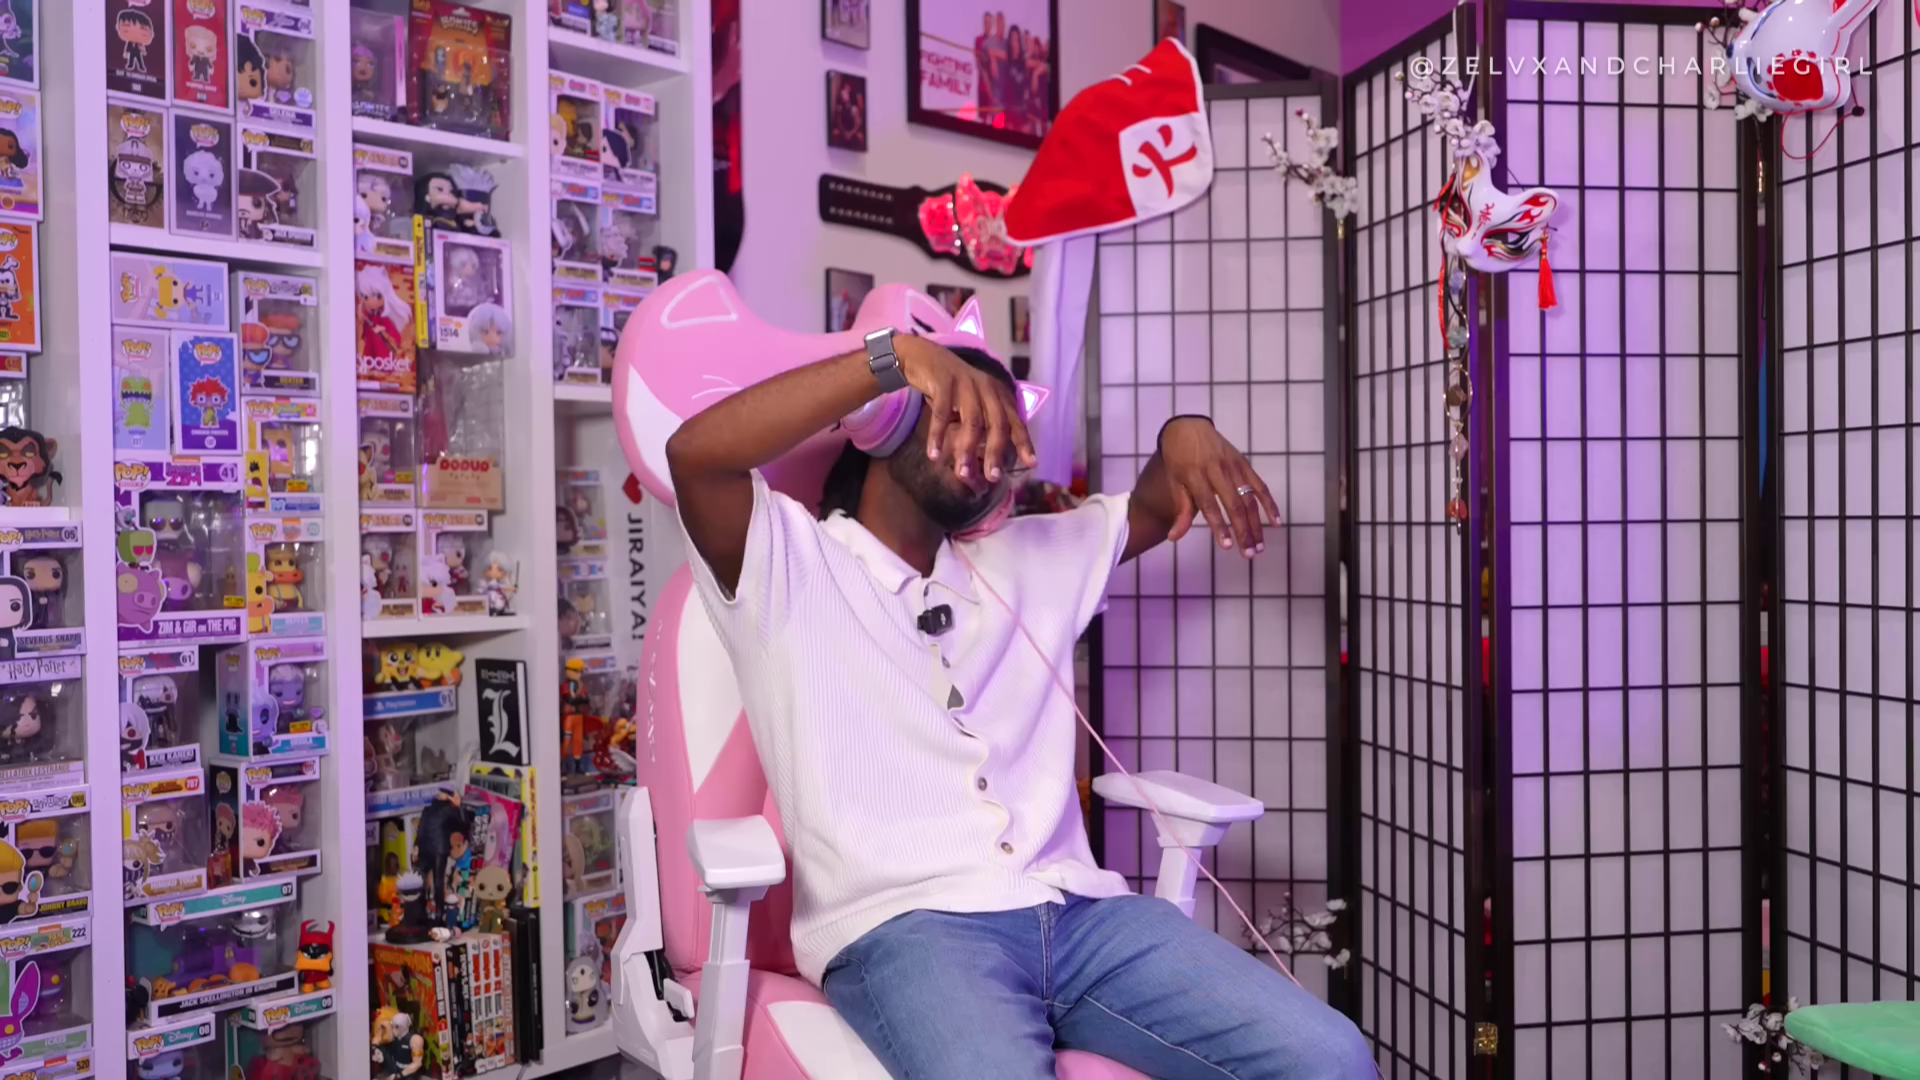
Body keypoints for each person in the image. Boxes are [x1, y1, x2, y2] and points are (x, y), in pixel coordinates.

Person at [666, 330, 1374, 1079]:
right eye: (964, 417)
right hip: (909, 932)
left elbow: (1156, 500)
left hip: (1084, 921)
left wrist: (1182, 432)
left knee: (1331, 1057)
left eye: (1003, 438)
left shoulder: (1028, 560)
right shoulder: (788, 562)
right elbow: (697, 456)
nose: (987, 452)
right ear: (889, 423)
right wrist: (894, 357)